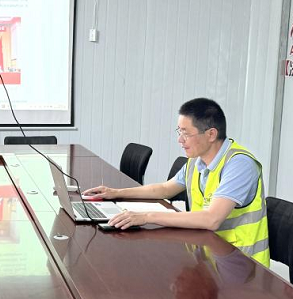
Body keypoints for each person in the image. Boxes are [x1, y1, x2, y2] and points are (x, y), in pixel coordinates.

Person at [84, 98, 270, 265]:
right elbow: (165, 189)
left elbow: (212, 219)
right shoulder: (196, 161)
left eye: (186, 134)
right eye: (179, 132)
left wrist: (146, 217)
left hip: (241, 265)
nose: (180, 140)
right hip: (209, 254)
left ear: (211, 134)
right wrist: (116, 193)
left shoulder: (239, 164)